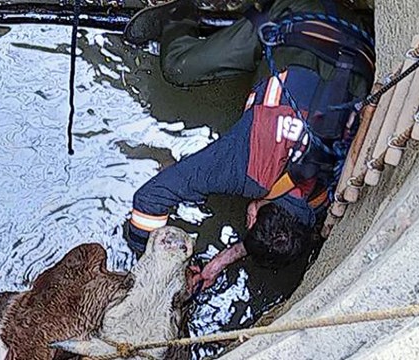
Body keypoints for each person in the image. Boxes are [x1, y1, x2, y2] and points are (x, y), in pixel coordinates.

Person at [121, 0, 376, 291]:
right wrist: (146, 258)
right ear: (252, 216)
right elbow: (150, 198)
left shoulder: (324, 199)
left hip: (356, 36)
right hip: (299, 11)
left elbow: (282, 227)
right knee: (178, 67)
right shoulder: (246, 167)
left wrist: (217, 263)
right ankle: (178, 14)